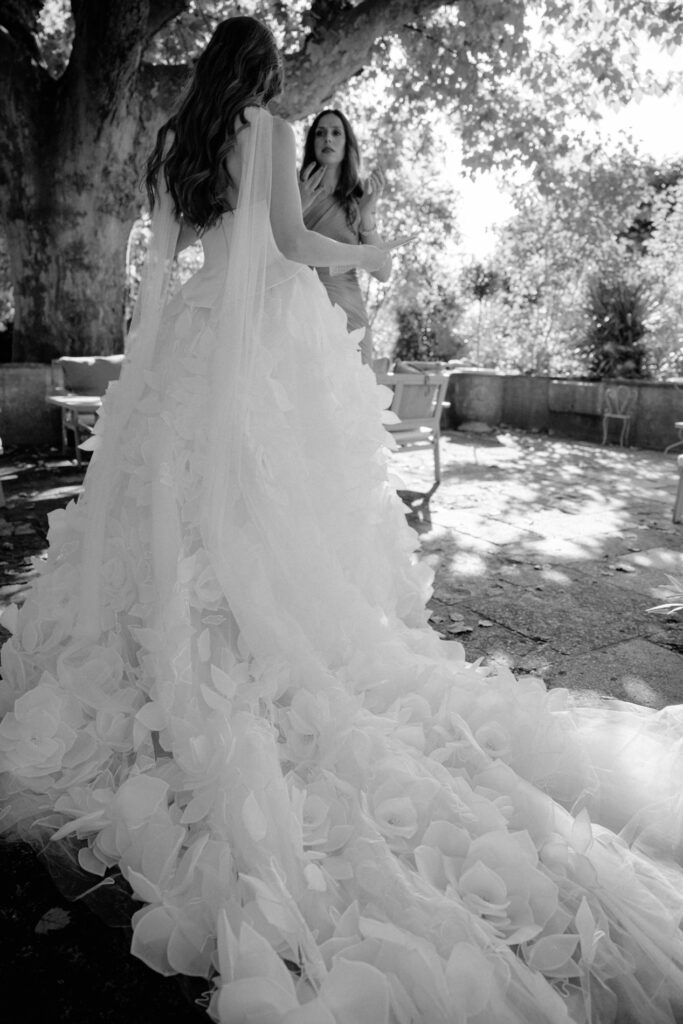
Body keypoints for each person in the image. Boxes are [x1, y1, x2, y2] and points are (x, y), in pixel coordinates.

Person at [1, 15, 683, 1024]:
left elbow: (166, 265)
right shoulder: (268, 131)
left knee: (171, 512)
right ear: (265, 71)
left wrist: (145, 365)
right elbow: (283, 242)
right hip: (259, 353)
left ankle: (152, 655)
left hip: (184, 353)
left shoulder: (172, 143)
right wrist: (368, 250)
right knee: (264, 520)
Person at [299, 108, 389, 365]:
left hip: (349, 316)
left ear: (347, 143)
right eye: (320, 133)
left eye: (336, 133)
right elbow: (274, 245)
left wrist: (366, 215)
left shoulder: (359, 197)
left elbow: (384, 273)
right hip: (300, 312)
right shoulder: (293, 188)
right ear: (312, 143)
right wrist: (299, 205)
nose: (327, 139)